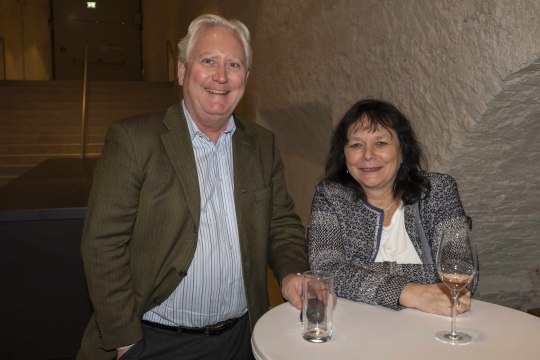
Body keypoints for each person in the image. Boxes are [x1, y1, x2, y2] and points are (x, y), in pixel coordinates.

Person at [77, 14, 307, 360]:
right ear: (182, 71)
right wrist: (126, 342)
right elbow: (102, 244)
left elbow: (282, 225)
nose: (221, 76)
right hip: (155, 341)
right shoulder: (134, 139)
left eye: (234, 64)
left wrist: (292, 273)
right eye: (208, 61)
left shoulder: (261, 145)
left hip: (241, 338)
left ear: (246, 77)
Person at [307, 99, 478, 316]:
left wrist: (355, 272)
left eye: (381, 143)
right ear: (344, 155)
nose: (368, 155)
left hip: (433, 328)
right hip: (359, 328)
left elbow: (461, 273)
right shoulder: (330, 195)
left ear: (403, 151)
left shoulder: (438, 191)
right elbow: (326, 272)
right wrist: (409, 292)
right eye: (356, 145)